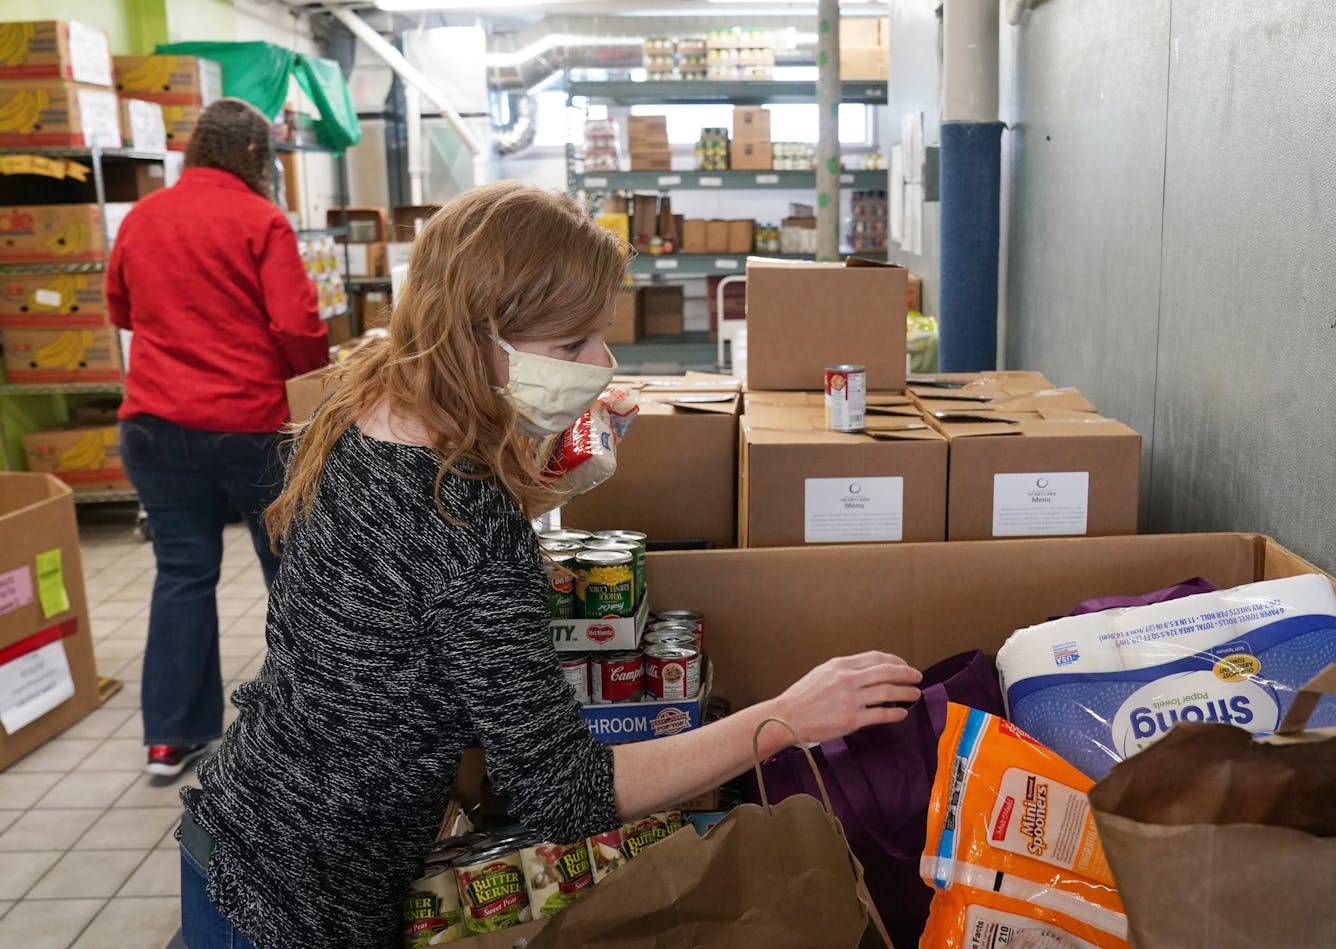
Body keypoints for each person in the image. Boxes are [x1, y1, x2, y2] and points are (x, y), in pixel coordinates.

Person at [176, 181, 923, 949]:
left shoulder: (358, 408)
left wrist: (551, 479)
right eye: (570, 347)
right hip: (295, 905)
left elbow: (412, 568)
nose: (600, 364)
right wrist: (784, 718)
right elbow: (567, 792)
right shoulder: (466, 519)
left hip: (241, 829)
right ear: (473, 337)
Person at [106, 98, 329, 777]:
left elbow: (121, 308)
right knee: (291, 575)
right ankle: (309, 726)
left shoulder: (143, 217)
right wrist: (315, 386)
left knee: (182, 573)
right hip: (249, 429)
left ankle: (170, 738)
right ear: (257, 156)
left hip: (152, 427)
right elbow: (296, 326)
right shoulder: (260, 219)